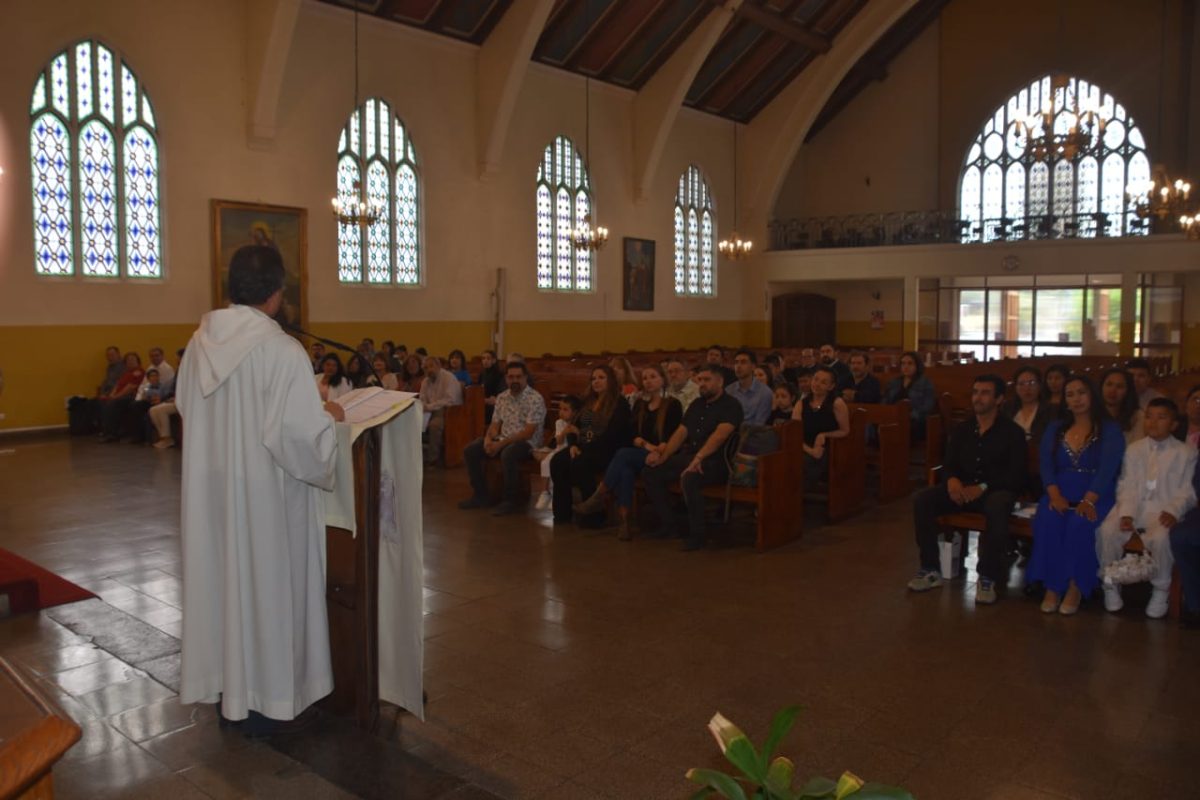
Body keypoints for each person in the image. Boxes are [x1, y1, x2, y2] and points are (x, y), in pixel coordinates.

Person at [176, 244, 345, 735]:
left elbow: (190, 409)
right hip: (269, 501)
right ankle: (272, 697)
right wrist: (328, 419)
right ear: (276, 294)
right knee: (271, 591)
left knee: (223, 585)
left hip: (214, 496)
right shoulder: (282, 350)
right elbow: (299, 441)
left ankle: (231, 688)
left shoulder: (199, 344)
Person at [909, 375, 1027, 604]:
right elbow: (950, 463)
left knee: (998, 505)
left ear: (999, 399)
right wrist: (952, 479)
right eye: (975, 392)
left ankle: (987, 576)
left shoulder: (1012, 433)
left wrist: (982, 487)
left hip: (994, 492)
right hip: (961, 491)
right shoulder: (963, 429)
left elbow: (1015, 474)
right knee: (922, 500)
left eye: (985, 393)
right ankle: (930, 568)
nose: (978, 398)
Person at [1027, 375, 1124, 615]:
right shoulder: (1055, 428)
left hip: (1096, 494)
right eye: (1070, 394)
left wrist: (1088, 500)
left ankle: (1075, 585)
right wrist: (1054, 495)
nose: (1076, 399)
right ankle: (1052, 585)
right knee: (1049, 521)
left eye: (1081, 392)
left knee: (1080, 524)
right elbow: (1047, 465)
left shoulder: (1109, 429)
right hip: (1058, 490)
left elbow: (1107, 469)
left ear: (1092, 394)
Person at [1097, 398, 1196, 618]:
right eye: (1149, 416)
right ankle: (1111, 583)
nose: (1153, 422)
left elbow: (1187, 490)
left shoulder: (1186, 453)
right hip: (1135, 506)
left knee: (1161, 538)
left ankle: (1161, 589)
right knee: (1108, 531)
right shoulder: (1134, 449)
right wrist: (1127, 514)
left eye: (1161, 417)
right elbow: (1126, 483)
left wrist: (1173, 510)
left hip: (1164, 508)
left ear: (1174, 424)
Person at [573, 365, 682, 540]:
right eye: (645, 378)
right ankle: (624, 523)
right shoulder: (640, 404)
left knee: (623, 455)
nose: (648, 381)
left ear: (662, 380)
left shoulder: (673, 405)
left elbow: (670, 438)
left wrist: (654, 449)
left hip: (663, 455)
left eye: (653, 376)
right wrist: (645, 445)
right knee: (625, 469)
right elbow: (632, 434)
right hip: (641, 453)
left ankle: (599, 497)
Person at [641, 365, 743, 551]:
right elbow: (681, 432)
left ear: (720, 382)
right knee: (651, 472)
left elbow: (720, 435)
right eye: (700, 380)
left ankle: (698, 534)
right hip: (691, 456)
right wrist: (662, 457)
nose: (702, 384)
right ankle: (670, 525)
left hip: (717, 461)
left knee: (691, 478)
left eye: (707, 380)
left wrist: (699, 458)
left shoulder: (731, 405)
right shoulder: (697, 404)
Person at [460, 362, 547, 515]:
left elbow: (528, 432)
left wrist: (500, 444)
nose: (515, 380)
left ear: (525, 377)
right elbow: (495, 424)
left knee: (509, 453)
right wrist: (488, 439)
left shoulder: (535, 399)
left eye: (518, 377)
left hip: (527, 444)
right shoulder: (502, 397)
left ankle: (510, 500)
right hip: (502, 439)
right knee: (471, 450)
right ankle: (481, 495)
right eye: (511, 377)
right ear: (506, 378)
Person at [549, 366, 631, 526]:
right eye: (593, 378)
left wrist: (584, 447)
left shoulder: (619, 403)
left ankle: (594, 515)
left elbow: (614, 434)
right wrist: (572, 444)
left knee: (581, 463)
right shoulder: (588, 401)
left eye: (601, 377)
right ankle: (562, 513)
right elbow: (573, 425)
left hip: (606, 449)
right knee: (557, 461)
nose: (596, 381)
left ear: (611, 381)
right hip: (583, 446)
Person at [1170, 387, 1200, 628]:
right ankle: (1194, 603)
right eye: (1196, 399)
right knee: (1181, 535)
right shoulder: (1172, 432)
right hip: (1183, 500)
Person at [792, 366, 850, 491]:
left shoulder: (837, 403)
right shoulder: (801, 403)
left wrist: (824, 435)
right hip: (803, 447)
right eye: (815, 379)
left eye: (823, 382)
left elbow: (845, 431)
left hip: (826, 449)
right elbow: (794, 433)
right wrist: (809, 450)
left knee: (807, 463)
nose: (817, 384)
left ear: (831, 386)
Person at [532, 396, 582, 511]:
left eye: (566, 410)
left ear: (574, 412)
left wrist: (577, 432)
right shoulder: (559, 423)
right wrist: (565, 432)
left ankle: (555, 496)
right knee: (545, 462)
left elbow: (581, 439)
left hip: (569, 450)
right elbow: (558, 441)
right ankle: (544, 492)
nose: (561, 412)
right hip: (559, 449)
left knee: (554, 463)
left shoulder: (579, 421)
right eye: (560, 409)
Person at [418, 355, 464, 466]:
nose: (429, 370)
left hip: (449, 412)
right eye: (426, 368)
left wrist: (429, 407)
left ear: (438, 366)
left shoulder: (449, 378)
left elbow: (450, 400)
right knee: (412, 423)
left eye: (431, 366)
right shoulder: (425, 381)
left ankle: (432, 459)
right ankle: (417, 457)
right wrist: (424, 406)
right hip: (429, 411)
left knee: (434, 425)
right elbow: (422, 398)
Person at [884, 351, 936, 439]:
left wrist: (908, 416)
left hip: (915, 420)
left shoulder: (925, 383)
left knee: (902, 429)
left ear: (917, 365)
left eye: (910, 363)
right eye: (903, 363)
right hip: (894, 417)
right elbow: (885, 400)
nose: (906, 366)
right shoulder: (894, 382)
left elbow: (928, 407)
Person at [98, 352, 145, 442]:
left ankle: (112, 434)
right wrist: (112, 394)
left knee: (113, 404)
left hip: (130, 396)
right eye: (128, 360)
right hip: (119, 395)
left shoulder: (139, 372)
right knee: (100, 402)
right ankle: (106, 431)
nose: (130, 362)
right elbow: (117, 385)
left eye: (132, 360)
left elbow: (130, 387)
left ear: (138, 361)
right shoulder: (126, 373)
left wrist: (115, 397)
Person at [1007, 366, 1052, 445]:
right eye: (1021, 384)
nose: (1027, 388)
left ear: (1040, 386)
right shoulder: (1007, 408)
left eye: (1032, 383)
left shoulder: (1051, 410)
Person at [1099, 367, 1144, 446]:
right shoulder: (1090, 414)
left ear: (1128, 391)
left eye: (1119, 386)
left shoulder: (1138, 417)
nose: (1112, 390)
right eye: (1109, 384)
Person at [727, 349, 773, 426]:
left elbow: (759, 424)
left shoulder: (765, 392)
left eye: (743, 362)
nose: (738, 366)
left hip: (753, 434)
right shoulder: (729, 390)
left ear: (753, 367)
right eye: (736, 362)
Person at [478, 350, 506, 424]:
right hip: (484, 401)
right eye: (483, 358)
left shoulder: (499, 373)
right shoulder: (482, 373)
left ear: (494, 360)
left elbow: (501, 390)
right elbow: (479, 389)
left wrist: (494, 398)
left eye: (488, 358)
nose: (485, 361)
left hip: (495, 402)